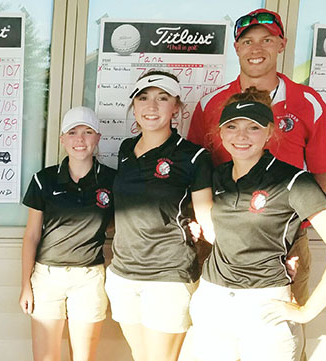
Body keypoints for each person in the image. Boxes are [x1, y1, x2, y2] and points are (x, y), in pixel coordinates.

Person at [189, 88, 326, 361]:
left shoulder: (292, 181)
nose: (241, 136)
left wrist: (307, 311)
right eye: (232, 126)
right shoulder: (216, 177)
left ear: (270, 132)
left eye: (253, 127)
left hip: (264, 305)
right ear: (220, 133)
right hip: (213, 300)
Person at [187, 6, 326, 309]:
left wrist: (291, 231)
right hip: (221, 240)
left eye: (267, 40)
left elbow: (322, 175)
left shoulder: (308, 102)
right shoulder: (211, 103)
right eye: (248, 41)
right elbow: (196, 172)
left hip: (284, 245)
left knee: (282, 334)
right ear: (237, 48)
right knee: (218, 334)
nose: (256, 49)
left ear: (282, 44)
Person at [105, 70, 214, 361]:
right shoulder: (126, 149)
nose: (151, 107)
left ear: (176, 107)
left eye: (162, 98)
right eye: (144, 98)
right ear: (134, 106)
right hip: (123, 273)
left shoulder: (194, 157)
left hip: (168, 274)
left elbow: (207, 219)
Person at [19, 106, 115, 361]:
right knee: (46, 358)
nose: (80, 140)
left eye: (87, 132)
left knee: (83, 358)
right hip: (47, 277)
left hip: (89, 277)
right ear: (62, 139)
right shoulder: (44, 179)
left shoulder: (112, 180)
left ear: (98, 138)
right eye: (72, 132)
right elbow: (31, 236)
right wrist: (25, 285)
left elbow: (122, 222)